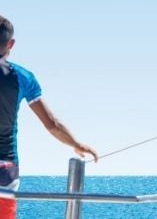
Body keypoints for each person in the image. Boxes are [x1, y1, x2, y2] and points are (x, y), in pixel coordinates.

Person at [0, 16, 97, 219]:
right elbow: (52, 124)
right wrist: (76, 144)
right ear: (11, 43)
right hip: (5, 171)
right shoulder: (23, 77)